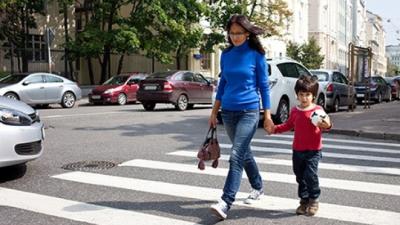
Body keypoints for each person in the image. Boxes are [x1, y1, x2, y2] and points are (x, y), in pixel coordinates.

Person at [208, 14, 274, 220]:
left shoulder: (256, 55)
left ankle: (225, 202)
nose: (234, 37)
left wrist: (267, 115)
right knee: (244, 153)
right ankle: (258, 186)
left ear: (247, 33)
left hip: (249, 111)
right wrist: (213, 111)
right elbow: (223, 85)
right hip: (228, 112)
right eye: (231, 33)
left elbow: (264, 86)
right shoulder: (226, 55)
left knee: (236, 155)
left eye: (239, 33)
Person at [269, 75, 332, 216]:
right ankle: (304, 201)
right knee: (300, 176)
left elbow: (327, 124)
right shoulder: (295, 111)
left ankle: (314, 199)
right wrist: (274, 129)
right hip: (298, 150)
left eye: (308, 95)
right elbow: (288, 125)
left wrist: (327, 124)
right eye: (301, 94)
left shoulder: (317, 110)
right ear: (296, 95)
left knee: (310, 175)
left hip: (314, 150)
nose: (304, 98)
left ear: (313, 96)